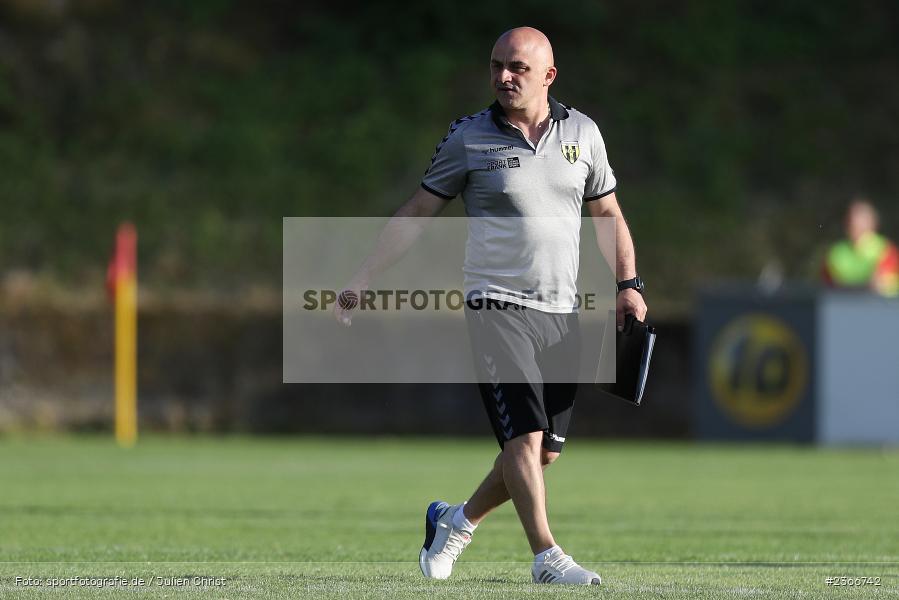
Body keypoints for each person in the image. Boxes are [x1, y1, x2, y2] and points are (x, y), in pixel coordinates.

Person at [335, 26, 647, 585]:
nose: (503, 76)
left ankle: (454, 522)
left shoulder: (584, 133)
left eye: (518, 68)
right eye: (497, 65)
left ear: (548, 76)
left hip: (562, 311)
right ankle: (547, 557)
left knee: (544, 451)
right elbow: (416, 213)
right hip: (496, 305)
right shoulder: (468, 137)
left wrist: (629, 284)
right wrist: (362, 275)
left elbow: (608, 216)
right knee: (522, 438)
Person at [822, 198, 899, 297]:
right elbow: (827, 287)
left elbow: (884, 285)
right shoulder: (835, 253)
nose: (856, 224)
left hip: (879, 307)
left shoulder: (886, 250)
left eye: (861, 221)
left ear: (873, 223)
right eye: (852, 221)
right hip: (845, 306)